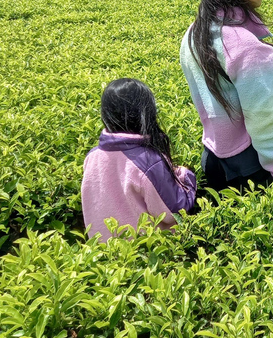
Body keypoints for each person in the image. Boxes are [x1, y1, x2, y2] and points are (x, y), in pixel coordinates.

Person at [180, 0, 273, 193]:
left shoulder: (193, 34)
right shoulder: (243, 45)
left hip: (213, 159)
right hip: (249, 168)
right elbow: (261, 119)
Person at [82, 78, 197, 241]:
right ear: (147, 113)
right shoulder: (148, 161)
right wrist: (186, 176)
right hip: (148, 255)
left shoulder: (92, 157)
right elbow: (175, 211)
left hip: (103, 253)